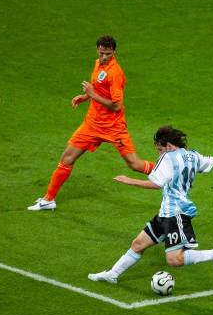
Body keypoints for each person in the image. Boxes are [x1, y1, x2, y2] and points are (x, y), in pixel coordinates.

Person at [88, 126, 213, 284]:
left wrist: (129, 180)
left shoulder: (168, 158)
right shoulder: (192, 156)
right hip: (166, 213)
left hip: (175, 213)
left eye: (159, 149)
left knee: (174, 259)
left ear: (169, 146)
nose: (159, 153)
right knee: (138, 244)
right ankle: (112, 274)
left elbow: (156, 183)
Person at [28, 35, 155, 211]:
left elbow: (117, 106)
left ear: (114, 52)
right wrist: (85, 97)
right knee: (67, 157)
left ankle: (169, 171)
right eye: (102, 53)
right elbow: (97, 87)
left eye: (108, 54)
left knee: (134, 164)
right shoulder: (98, 64)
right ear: (97, 50)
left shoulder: (115, 73)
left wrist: (92, 94)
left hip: (113, 127)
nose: (104, 57)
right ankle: (49, 199)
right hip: (92, 124)